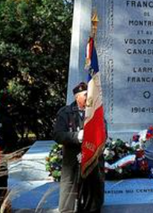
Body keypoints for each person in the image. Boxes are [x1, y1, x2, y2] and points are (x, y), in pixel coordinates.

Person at [53, 82, 104, 213]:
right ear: (77, 97)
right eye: (86, 95)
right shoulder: (65, 113)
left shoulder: (95, 112)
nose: (89, 97)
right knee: (69, 187)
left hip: (92, 156)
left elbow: (104, 132)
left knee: (93, 187)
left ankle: (93, 208)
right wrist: (76, 136)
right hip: (72, 156)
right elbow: (58, 135)